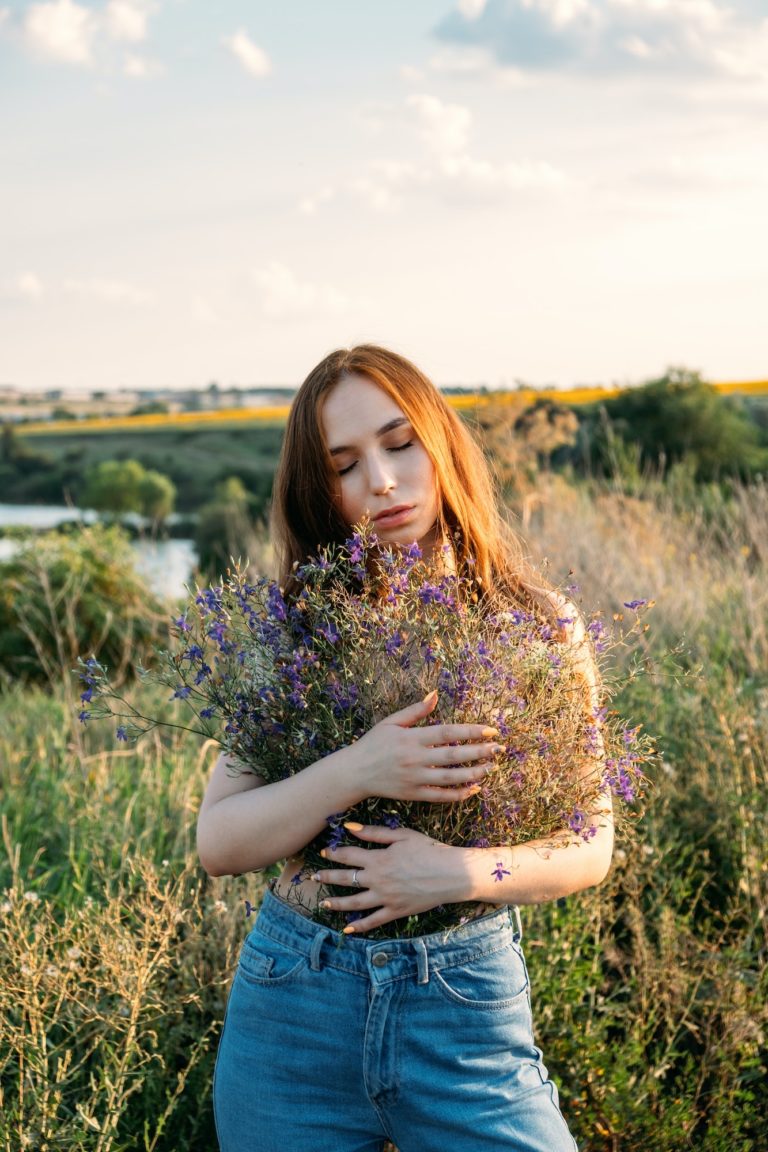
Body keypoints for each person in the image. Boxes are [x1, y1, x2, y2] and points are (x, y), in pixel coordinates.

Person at [197, 345, 613, 1152]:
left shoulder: (538, 625)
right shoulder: (298, 633)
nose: (381, 481)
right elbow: (219, 842)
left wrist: (450, 873)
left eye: (399, 443)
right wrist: (358, 768)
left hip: (463, 1009)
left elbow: (591, 845)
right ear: (320, 491)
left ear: (441, 441)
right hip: (294, 1011)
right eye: (344, 465)